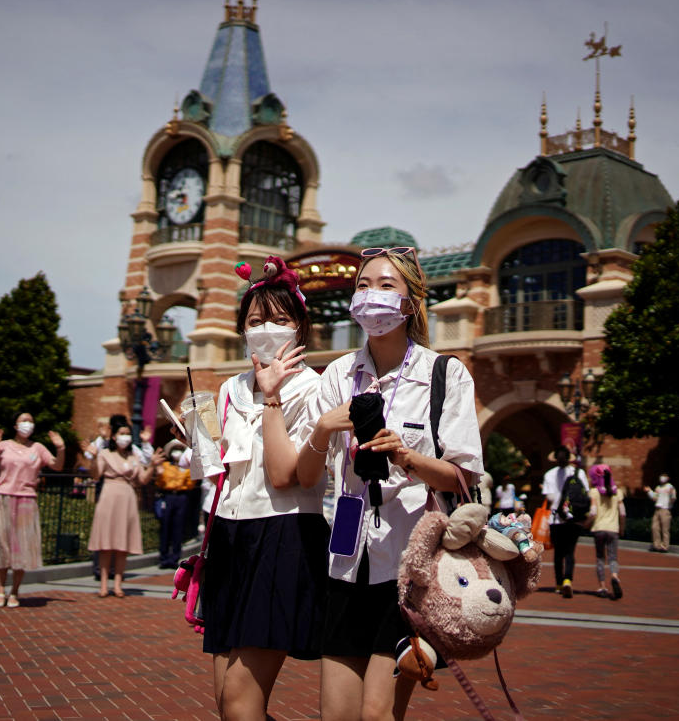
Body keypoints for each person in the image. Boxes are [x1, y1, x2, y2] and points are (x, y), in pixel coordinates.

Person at [293, 246, 483, 721]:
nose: (369, 297)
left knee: (377, 715)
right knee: (334, 715)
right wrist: (321, 430)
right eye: (362, 286)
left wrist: (406, 456)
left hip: (410, 568)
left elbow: (463, 477)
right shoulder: (337, 373)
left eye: (385, 286)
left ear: (411, 302)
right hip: (345, 559)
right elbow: (307, 477)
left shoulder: (444, 374)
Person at [181, 256, 330, 721]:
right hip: (228, 534)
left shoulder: (314, 389)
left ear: (300, 327)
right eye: (256, 320)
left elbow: (288, 476)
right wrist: (199, 445)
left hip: (284, 534)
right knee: (227, 703)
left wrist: (273, 394)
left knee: (242, 702)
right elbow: (221, 468)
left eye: (280, 319)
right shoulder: (229, 389)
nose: (267, 328)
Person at [0, 412, 65, 607]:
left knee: (21, 547)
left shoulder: (38, 448)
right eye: (23, 420)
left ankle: (15, 592)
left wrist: (60, 448)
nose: (28, 424)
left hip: (27, 500)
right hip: (4, 497)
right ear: (15, 425)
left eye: (31, 421)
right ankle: (0, 590)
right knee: (2, 543)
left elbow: (57, 466)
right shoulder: (3, 445)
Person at [86, 421, 158, 597]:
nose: (125, 437)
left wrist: (153, 465)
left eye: (127, 433)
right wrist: (94, 458)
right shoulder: (104, 453)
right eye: (122, 433)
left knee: (122, 545)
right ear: (114, 436)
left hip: (128, 497)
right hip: (109, 495)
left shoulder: (134, 456)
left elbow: (142, 479)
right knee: (106, 544)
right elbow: (95, 475)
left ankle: (118, 584)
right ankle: (103, 584)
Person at [541, 446, 590, 598]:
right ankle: (568, 579)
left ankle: (558, 583)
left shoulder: (550, 474)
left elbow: (549, 498)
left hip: (556, 518)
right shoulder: (579, 472)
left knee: (558, 552)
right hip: (574, 518)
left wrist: (559, 502)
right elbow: (586, 494)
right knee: (570, 551)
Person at [153, 438, 195, 569]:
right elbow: (160, 482)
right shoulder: (165, 466)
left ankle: (174, 557)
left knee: (178, 527)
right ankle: (163, 557)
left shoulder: (186, 467)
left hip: (181, 497)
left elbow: (190, 482)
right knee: (165, 527)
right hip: (168, 496)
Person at [587, 463, 626, 599]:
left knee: (600, 558)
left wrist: (585, 524)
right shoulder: (618, 492)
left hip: (599, 529)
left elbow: (593, 511)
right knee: (613, 557)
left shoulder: (594, 492)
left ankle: (602, 586)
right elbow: (622, 513)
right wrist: (622, 528)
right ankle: (614, 576)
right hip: (613, 529)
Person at [645, 473, 677, 552]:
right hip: (657, 509)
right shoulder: (658, 488)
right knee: (655, 527)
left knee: (665, 529)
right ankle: (657, 545)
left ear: (667, 478)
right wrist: (649, 491)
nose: (662, 478)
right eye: (661, 477)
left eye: (664, 477)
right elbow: (654, 498)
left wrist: (670, 504)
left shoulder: (670, 487)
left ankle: (665, 546)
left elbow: (673, 497)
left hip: (665, 509)